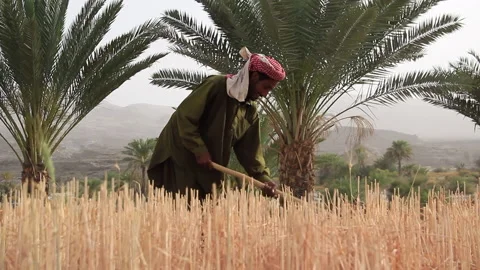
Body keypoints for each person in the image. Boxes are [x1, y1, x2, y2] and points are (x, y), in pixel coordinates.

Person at [147, 47, 286, 204]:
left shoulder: (250, 111)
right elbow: (184, 118)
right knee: (179, 208)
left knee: (210, 209)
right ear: (254, 77)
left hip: (209, 167)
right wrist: (199, 149)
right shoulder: (216, 85)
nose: (265, 94)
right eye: (266, 87)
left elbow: (251, 153)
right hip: (180, 159)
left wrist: (263, 179)